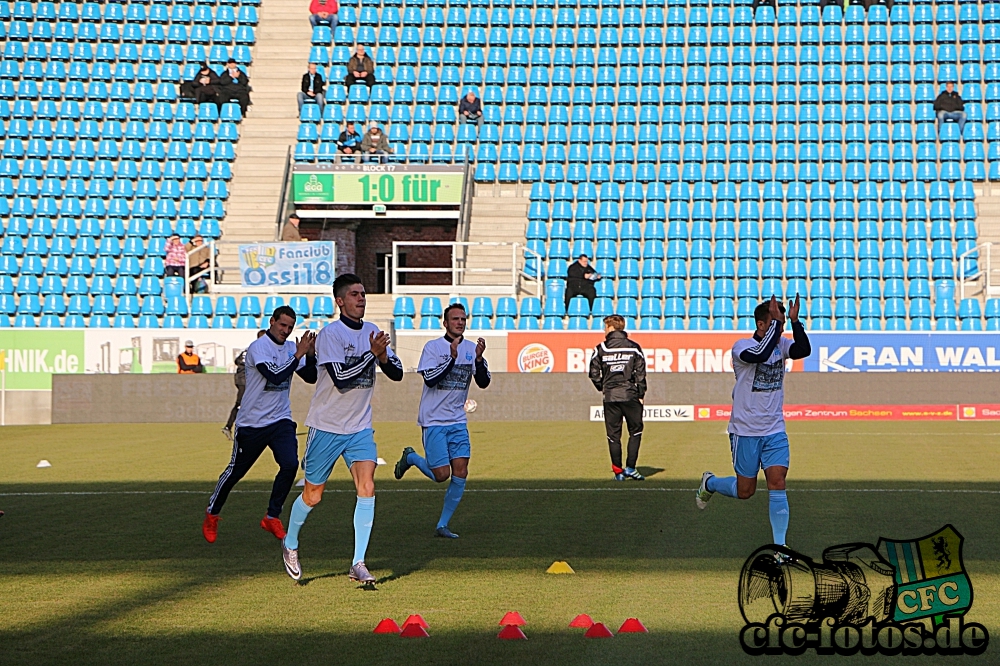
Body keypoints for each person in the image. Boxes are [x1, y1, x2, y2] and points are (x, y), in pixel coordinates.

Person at [280, 274, 404, 584]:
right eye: (354, 294)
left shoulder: (374, 332)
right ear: (340, 301)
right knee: (313, 495)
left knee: (368, 487)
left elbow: (398, 372)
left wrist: (384, 356)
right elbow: (341, 378)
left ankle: (358, 562)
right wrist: (371, 355)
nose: (361, 298)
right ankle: (290, 542)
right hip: (327, 425)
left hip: (360, 426)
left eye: (363, 294)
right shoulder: (330, 335)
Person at [695, 296, 812, 550]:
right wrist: (778, 327)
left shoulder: (781, 344)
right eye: (773, 322)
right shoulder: (742, 347)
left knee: (778, 482)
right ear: (761, 325)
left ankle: (780, 547)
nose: (778, 328)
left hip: (774, 429)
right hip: (745, 430)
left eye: (778, 323)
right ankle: (710, 482)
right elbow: (759, 355)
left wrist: (793, 322)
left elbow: (803, 350)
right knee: (745, 491)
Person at [203, 308, 318, 544]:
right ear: (272, 322)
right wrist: (297, 355)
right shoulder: (259, 348)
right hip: (251, 424)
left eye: (290, 327)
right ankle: (212, 513)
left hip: (280, 421)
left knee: (290, 464)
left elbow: (311, 377)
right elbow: (274, 376)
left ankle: (271, 516)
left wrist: (311, 355)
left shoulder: (289, 348)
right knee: (236, 472)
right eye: (282, 325)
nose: (285, 331)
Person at [393, 304, 490, 539]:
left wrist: (478, 360)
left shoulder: (471, 349)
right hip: (434, 420)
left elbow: (484, 382)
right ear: (445, 323)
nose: (460, 322)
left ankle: (442, 525)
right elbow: (429, 379)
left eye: (463, 319)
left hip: (457, 420)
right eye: (455, 319)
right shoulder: (433, 348)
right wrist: (451, 360)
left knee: (461, 471)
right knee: (441, 475)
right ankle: (412, 457)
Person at [589, 315, 646, 481]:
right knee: (635, 432)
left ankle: (618, 472)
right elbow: (640, 374)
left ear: (611, 327)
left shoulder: (601, 348)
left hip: (610, 397)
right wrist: (640, 393)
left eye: (605, 327)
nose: (604, 330)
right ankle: (631, 468)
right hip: (630, 395)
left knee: (613, 435)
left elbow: (593, 373)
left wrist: (603, 387)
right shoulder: (634, 348)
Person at [223, 330, 267, 441]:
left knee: (247, 403)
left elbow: (237, 360)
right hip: (246, 380)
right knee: (243, 404)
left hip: (240, 379)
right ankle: (231, 427)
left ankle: (233, 427)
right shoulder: (260, 349)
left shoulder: (249, 348)